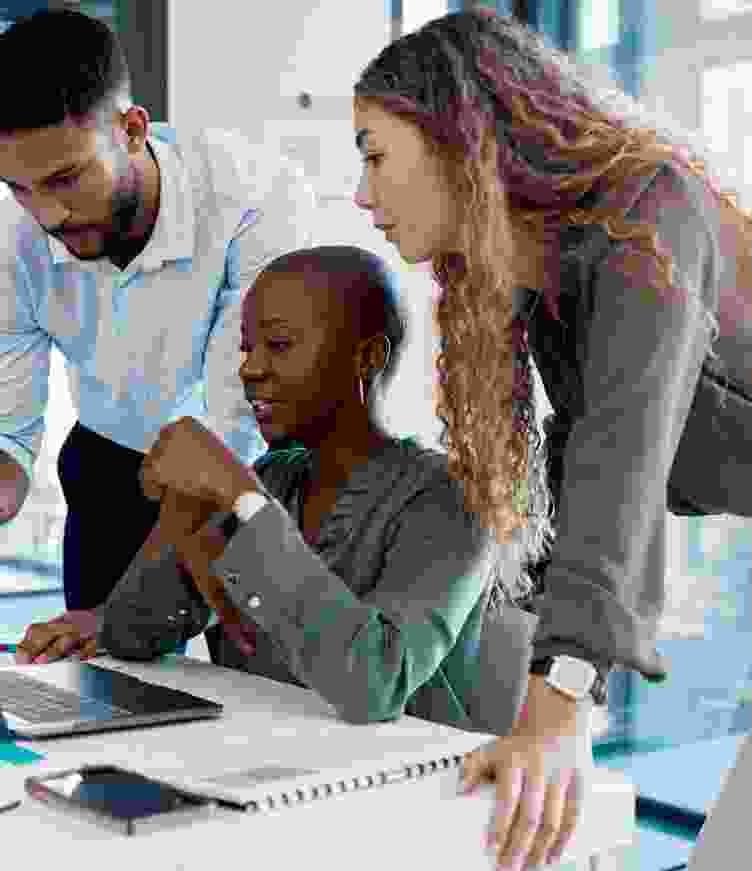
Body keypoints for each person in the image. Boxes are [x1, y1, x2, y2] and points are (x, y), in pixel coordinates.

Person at [349, 8, 752, 871]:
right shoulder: (557, 265)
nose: (363, 195)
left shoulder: (649, 217)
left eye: (374, 156)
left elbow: (620, 459)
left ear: (457, 138)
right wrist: (536, 659)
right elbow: (578, 452)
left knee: (745, 847)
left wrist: (561, 702)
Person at [16, 245, 543, 739]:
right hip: (262, 760)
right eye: (247, 348)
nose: (250, 368)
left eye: (280, 345)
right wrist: (179, 510)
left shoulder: (448, 498)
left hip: (398, 782)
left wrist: (242, 499)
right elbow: (134, 633)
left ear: (366, 357)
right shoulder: (273, 478)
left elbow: (376, 682)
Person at [0, 9, 315, 614]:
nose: (47, 214)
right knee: (101, 665)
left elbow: (237, 424)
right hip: (110, 458)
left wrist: (128, 612)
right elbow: (8, 437)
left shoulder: (253, 199)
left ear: (132, 130)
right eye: (18, 187)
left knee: (250, 663)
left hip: (248, 467)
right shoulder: (12, 237)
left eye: (66, 179)